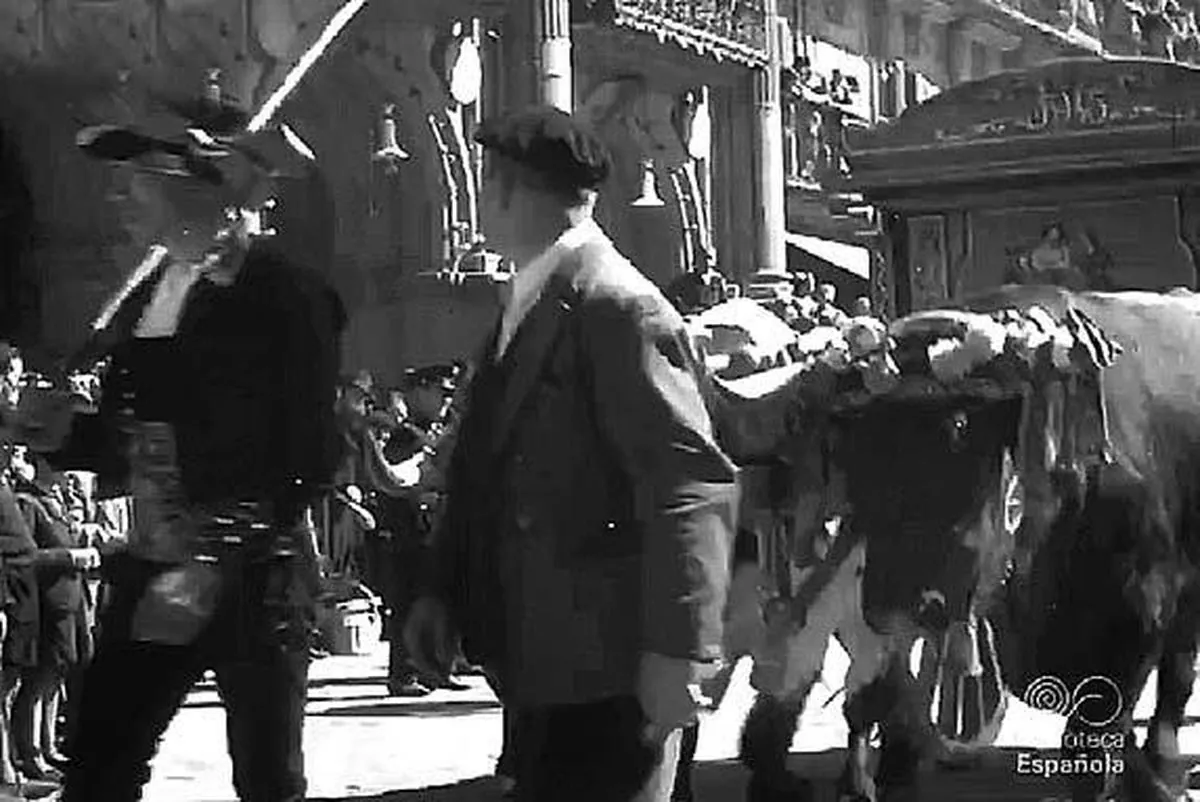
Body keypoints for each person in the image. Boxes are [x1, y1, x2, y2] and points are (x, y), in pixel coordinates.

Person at [404, 105, 739, 802]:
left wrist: (680, 651)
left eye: (485, 183)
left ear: (504, 190)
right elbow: (483, 469)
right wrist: (443, 590)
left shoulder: (617, 306)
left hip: (611, 664)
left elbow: (687, 484)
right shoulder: (527, 302)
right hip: (541, 653)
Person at [29, 92, 345, 802]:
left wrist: (211, 559)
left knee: (267, 778)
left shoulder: (283, 295)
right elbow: (132, 442)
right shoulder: (148, 299)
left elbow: (308, 457)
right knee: (99, 764)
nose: (117, 197)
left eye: (135, 177)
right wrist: (59, 436)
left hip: (253, 578)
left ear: (195, 183)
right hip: (153, 566)